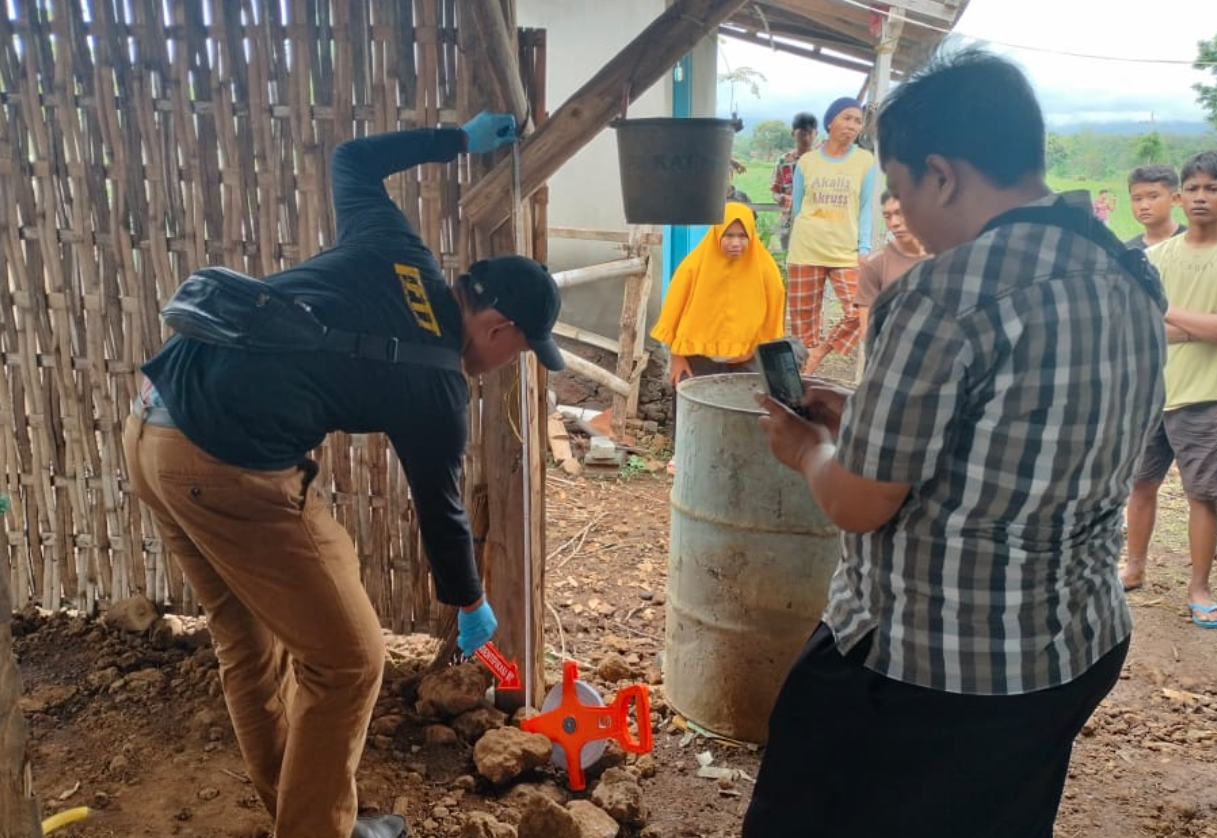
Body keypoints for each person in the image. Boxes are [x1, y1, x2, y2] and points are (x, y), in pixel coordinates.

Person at [745, 49, 1166, 838]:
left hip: (929, 666)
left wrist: (806, 448)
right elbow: (1015, 432)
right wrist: (859, 415)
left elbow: (858, 502)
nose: (905, 214)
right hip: (1072, 648)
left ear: (940, 174)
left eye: (901, 189)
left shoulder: (945, 293)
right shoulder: (1129, 272)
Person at [123, 113, 565, 838]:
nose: (505, 363)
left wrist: (458, 140)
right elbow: (443, 512)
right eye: (518, 351)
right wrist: (470, 603)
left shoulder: (398, 247)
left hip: (150, 426)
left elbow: (354, 160)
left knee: (247, 640)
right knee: (353, 661)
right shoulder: (438, 385)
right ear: (499, 329)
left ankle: (303, 817)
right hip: (222, 467)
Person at [1119, 150, 1217, 628]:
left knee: (1202, 495)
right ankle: (1133, 566)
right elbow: (1135, 327)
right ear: (1180, 195)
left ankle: (1199, 587)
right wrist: (1208, 325)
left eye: (1213, 188)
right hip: (1151, 392)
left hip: (1206, 396)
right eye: (1192, 188)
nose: (1200, 197)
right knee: (1139, 485)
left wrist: (1166, 311)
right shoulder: (1154, 258)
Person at [651, 202, 787, 473]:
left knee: (746, 404)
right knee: (692, 399)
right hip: (698, 355)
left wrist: (759, 352)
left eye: (742, 236)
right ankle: (686, 451)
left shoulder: (765, 269)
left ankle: (738, 455)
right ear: (716, 234)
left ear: (751, 236)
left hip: (746, 356)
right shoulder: (694, 266)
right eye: (728, 235)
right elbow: (673, 314)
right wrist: (677, 357)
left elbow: (773, 319)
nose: (735, 243)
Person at [784, 97, 876, 373]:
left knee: (860, 308)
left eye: (857, 121)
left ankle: (820, 352)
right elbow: (798, 207)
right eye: (846, 118)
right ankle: (804, 380)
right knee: (803, 325)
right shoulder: (807, 162)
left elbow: (866, 207)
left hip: (844, 251)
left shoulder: (865, 161)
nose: (852, 125)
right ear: (830, 122)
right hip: (805, 249)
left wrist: (864, 248)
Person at [853, 189, 929, 335]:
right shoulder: (875, 265)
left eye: (900, 213)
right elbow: (867, 332)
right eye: (887, 216)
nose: (894, 223)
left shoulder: (949, 258)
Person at [770, 111, 819, 251]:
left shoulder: (821, 160)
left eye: (810, 133)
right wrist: (778, 197)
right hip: (787, 218)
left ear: (816, 134)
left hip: (814, 219)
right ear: (793, 134)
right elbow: (775, 190)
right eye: (802, 133)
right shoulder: (784, 161)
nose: (806, 138)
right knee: (786, 248)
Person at [1125, 165, 1185, 249]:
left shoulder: (1196, 241)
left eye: (1153, 197)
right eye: (1137, 199)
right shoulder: (1128, 251)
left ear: (1175, 199)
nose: (1144, 206)